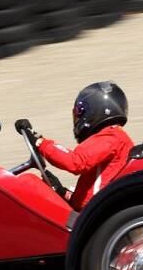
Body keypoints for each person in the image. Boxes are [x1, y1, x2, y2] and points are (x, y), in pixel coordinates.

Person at [30, 81, 134, 212]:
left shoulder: (112, 137)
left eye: (80, 111)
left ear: (97, 109)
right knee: (35, 186)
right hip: (90, 211)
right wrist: (63, 192)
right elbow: (92, 188)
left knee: (28, 184)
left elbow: (75, 162)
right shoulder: (114, 137)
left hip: (92, 214)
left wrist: (41, 143)